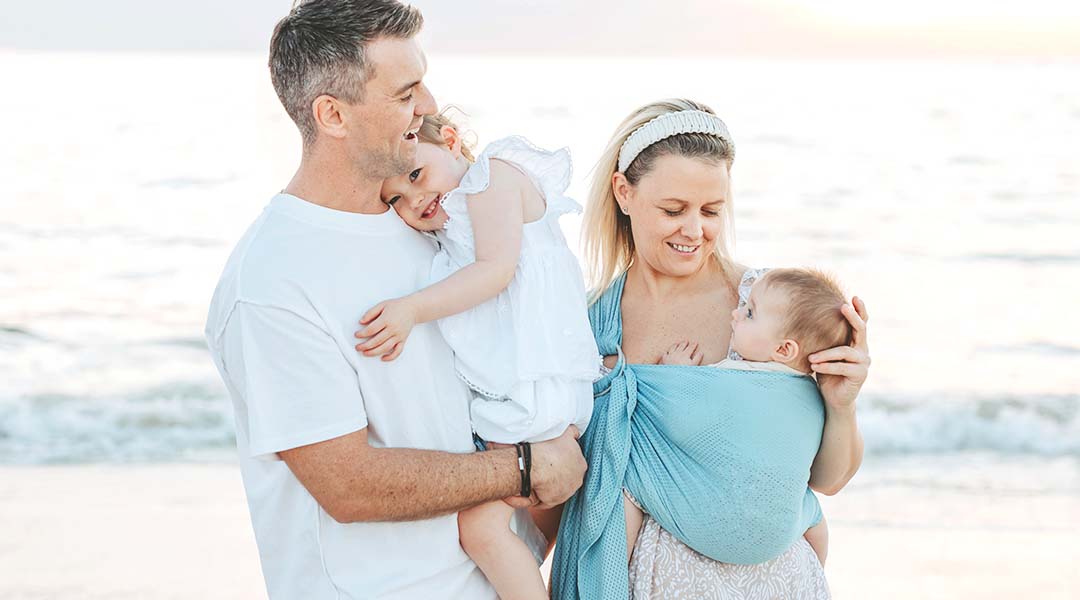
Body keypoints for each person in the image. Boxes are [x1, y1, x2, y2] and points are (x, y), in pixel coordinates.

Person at [203, 2, 585, 598]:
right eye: (406, 92)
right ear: (332, 114)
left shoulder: (429, 223)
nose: (429, 105)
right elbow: (348, 485)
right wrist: (523, 468)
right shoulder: (272, 283)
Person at [551, 99, 870, 599]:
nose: (694, 230)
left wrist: (841, 404)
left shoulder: (767, 312)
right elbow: (559, 481)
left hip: (770, 581)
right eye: (673, 210)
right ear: (624, 193)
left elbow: (825, 482)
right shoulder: (589, 324)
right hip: (648, 582)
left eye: (712, 210)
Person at [353, 112, 598, 599]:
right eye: (396, 199)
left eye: (417, 175)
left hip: (536, 392)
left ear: (450, 141)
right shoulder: (453, 224)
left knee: (480, 529)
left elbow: (496, 271)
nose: (414, 198)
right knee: (517, 526)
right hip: (530, 393)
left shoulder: (491, 177)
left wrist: (410, 311)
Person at [655, 267, 857, 566]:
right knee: (814, 515)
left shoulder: (735, 376)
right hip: (781, 523)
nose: (736, 314)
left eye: (749, 313)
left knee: (629, 494)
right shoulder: (812, 394)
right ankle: (817, 574)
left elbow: (682, 417)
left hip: (722, 516)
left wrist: (675, 375)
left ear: (784, 348)